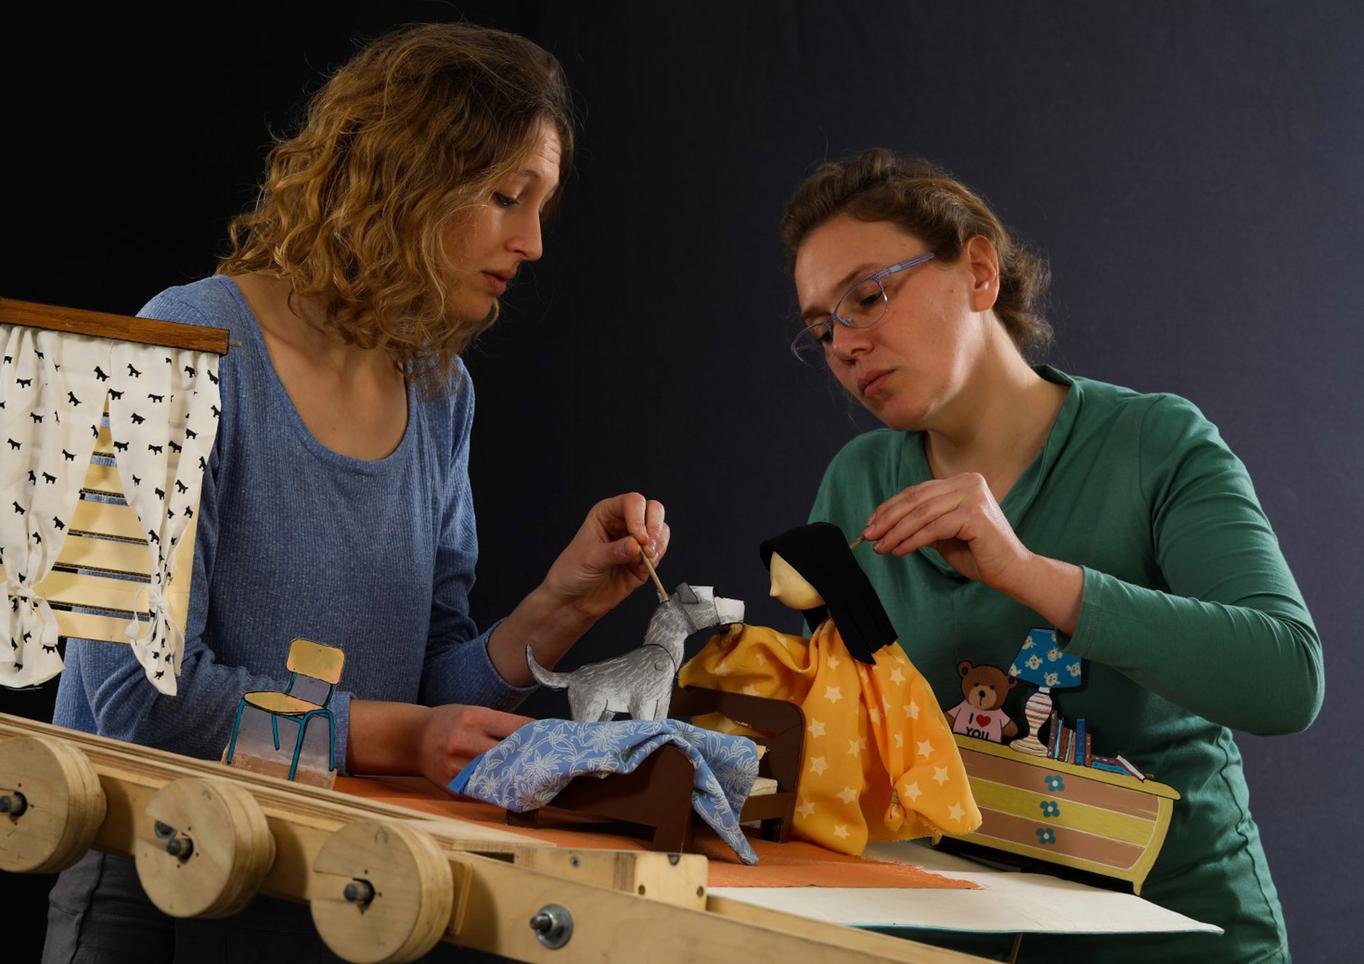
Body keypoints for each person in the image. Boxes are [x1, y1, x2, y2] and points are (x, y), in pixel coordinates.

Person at [45, 24, 667, 962]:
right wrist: (406, 740)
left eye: (541, 206)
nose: (533, 243)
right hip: (158, 889)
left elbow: (425, 689)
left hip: (342, 893)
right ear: (404, 178)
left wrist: (561, 604)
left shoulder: (441, 391)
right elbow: (139, 701)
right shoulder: (176, 343)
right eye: (507, 197)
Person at [782, 149, 1322, 961]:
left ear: (979, 272)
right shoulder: (854, 483)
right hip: (942, 943)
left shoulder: (1156, 443)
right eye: (823, 327)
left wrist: (1026, 574)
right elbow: (832, 739)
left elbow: (1288, 679)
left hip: (1177, 943)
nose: (846, 345)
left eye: (867, 296)